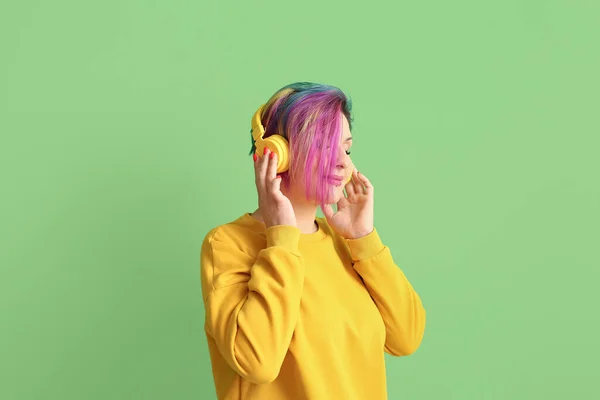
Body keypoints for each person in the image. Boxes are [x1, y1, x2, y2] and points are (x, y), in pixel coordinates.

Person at [200, 82, 426, 400]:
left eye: (346, 148)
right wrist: (280, 241)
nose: (344, 163)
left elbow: (407, 337)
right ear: (276, 155)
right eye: (323, 146)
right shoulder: (228, 244)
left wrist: (364, 240)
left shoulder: (345, 242)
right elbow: (257, 363)